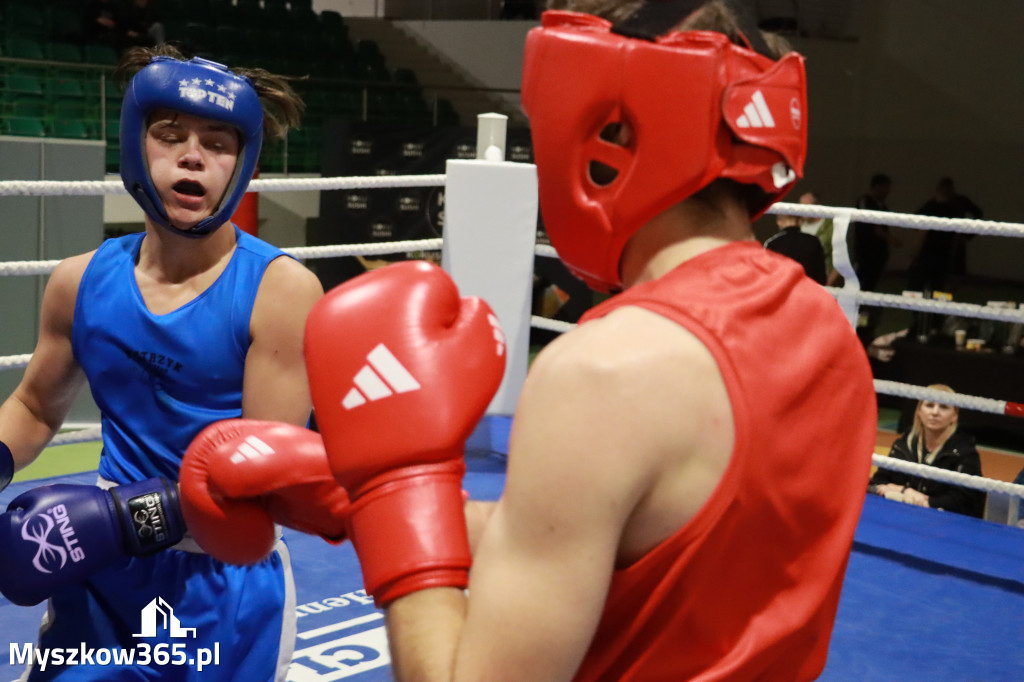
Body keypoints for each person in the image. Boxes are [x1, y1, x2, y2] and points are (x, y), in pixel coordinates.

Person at [184, 1, 879, 679]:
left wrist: (399, 480)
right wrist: (359, 503)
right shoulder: (825, 330)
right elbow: (600, 538)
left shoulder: (607, 372)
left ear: (607, 130)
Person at [0, 45, 346, 680]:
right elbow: (32, 406)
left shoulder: (280, 291)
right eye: (170, 136)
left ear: (241, 166)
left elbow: (262, 476)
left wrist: (123, 518)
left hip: (222, 576)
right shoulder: (79, 282)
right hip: (101, 568)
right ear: (136, 147)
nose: (193, 155)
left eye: (217, 143)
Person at [869, 385, 986, 518]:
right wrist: (905, 491)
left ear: (954, 416)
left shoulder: (964, 452)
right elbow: (877, 483)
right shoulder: (903, 445)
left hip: (943, 526)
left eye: (944, 407)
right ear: (919, 411)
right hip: (899, 516)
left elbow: (964, 500)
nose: (935, 412)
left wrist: (925, 500)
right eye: (929, 405)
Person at [907, 177, 983, 293]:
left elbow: (921, 231)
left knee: (925, 284)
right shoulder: (950, 207)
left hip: (934, 252)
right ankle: (941, 305)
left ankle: (929, 307)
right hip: (946, 252)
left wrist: (914, 255)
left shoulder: (934, 207)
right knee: (941, 284)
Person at [764, 200, 827, 284]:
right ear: (800, 221)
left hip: (783, 292)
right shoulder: (814, 241)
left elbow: (768, 276)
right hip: (810, 291)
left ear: (779, 223)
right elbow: (821, 277)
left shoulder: (772, 243)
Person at [798, 190, 842, 285]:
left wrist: (826, 286)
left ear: (816, 206)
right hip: (801, 281)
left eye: (806, 206)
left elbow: (840, 260)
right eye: (800, 206)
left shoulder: (831, 227)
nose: (802, 210)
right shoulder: (796, 226)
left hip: (822, 280)